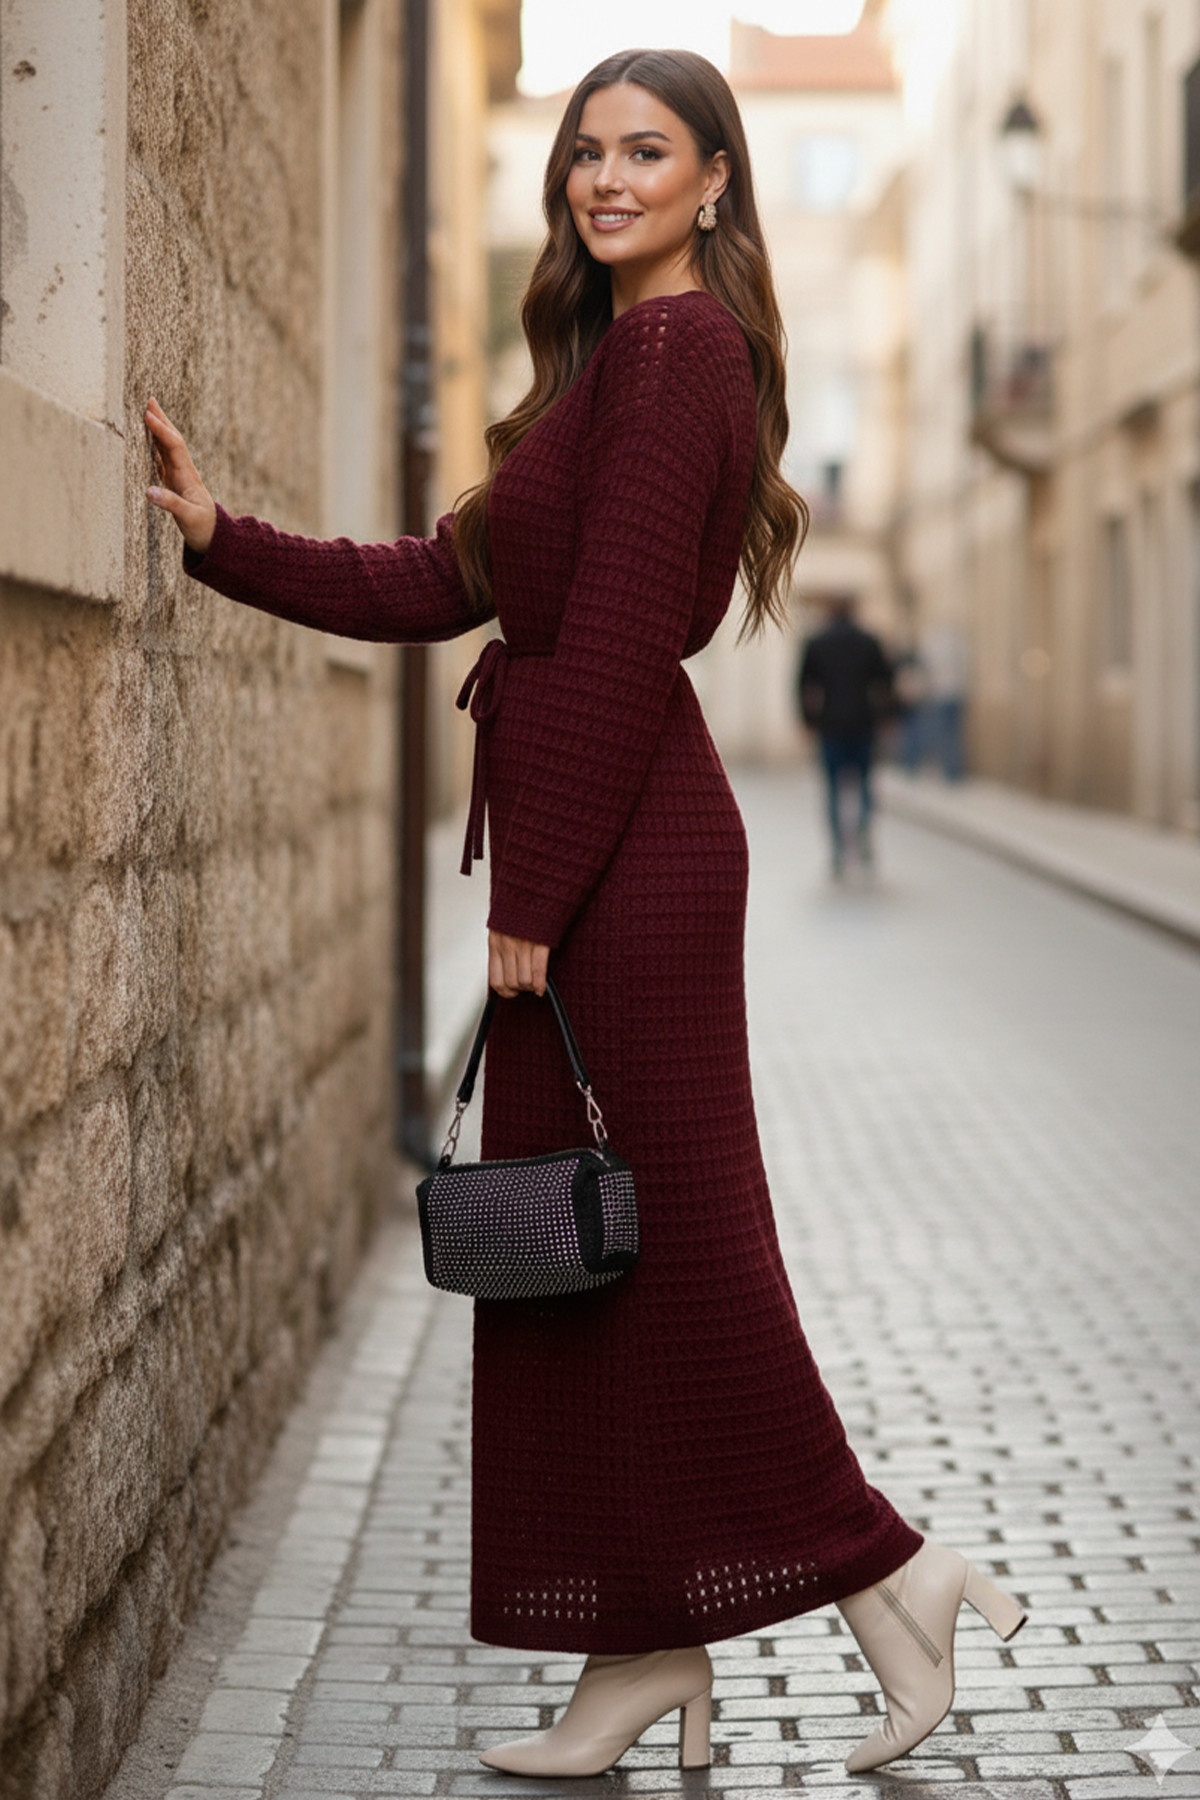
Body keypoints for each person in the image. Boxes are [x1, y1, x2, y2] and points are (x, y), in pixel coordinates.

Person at [145, 49, 1026, 1780]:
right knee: (586, 1266)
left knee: (673, 1254)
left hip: (626, 858)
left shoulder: (686, 351)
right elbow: (440, 580)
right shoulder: (605, 370)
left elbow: (620, 645)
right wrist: (217, 535)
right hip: (602, 836)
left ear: (715, 180)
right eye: (584, 153)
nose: (603, 179)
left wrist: (534, 896)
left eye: (646, 152)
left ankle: (890, 1572)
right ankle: (642, 1652)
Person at [797, 594, 893, 875]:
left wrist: (808, 721)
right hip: (863, 723)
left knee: (832, 789)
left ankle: (838, 850)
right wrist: (886, 716)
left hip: (830, 725)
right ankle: (862, 837)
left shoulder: (817, 642)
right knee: (864, 784)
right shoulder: (868, 641)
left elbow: (803, 684)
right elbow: (885, 680)